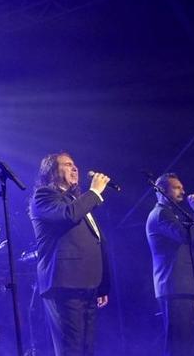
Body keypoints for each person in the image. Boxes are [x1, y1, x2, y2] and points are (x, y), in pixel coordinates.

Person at [28, 152, 111, 356]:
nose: (75, 168)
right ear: (51, 172)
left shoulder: (76, 200)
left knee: (87, 348)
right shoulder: (44, 195)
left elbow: (97, 241)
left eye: (75, 164)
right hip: (64, 282)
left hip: (87, 283)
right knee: (71, 347)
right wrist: (94, 192)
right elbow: (68, 215)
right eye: (67, 164)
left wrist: (103, 285)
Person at [146, 173, 194, 356]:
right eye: (177, 187)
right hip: (174, 288)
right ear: (163, 190)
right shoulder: (161, 214)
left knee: (185, 344)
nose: (183, 191)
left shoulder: (170, 214)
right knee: (179, 346)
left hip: (182, 288)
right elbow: (186, 236)